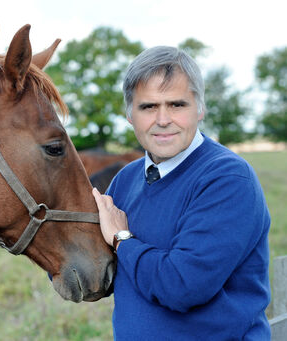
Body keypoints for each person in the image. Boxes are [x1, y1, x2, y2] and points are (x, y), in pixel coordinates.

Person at [92, 46, 271, 340]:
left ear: (199, 109)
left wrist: (121, 239)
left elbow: (182, 287)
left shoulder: (228, 179)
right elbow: (92, 267)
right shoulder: (125, 179)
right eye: (148, 107)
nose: (163, 119)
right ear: (129, 114)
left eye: (177, 105)